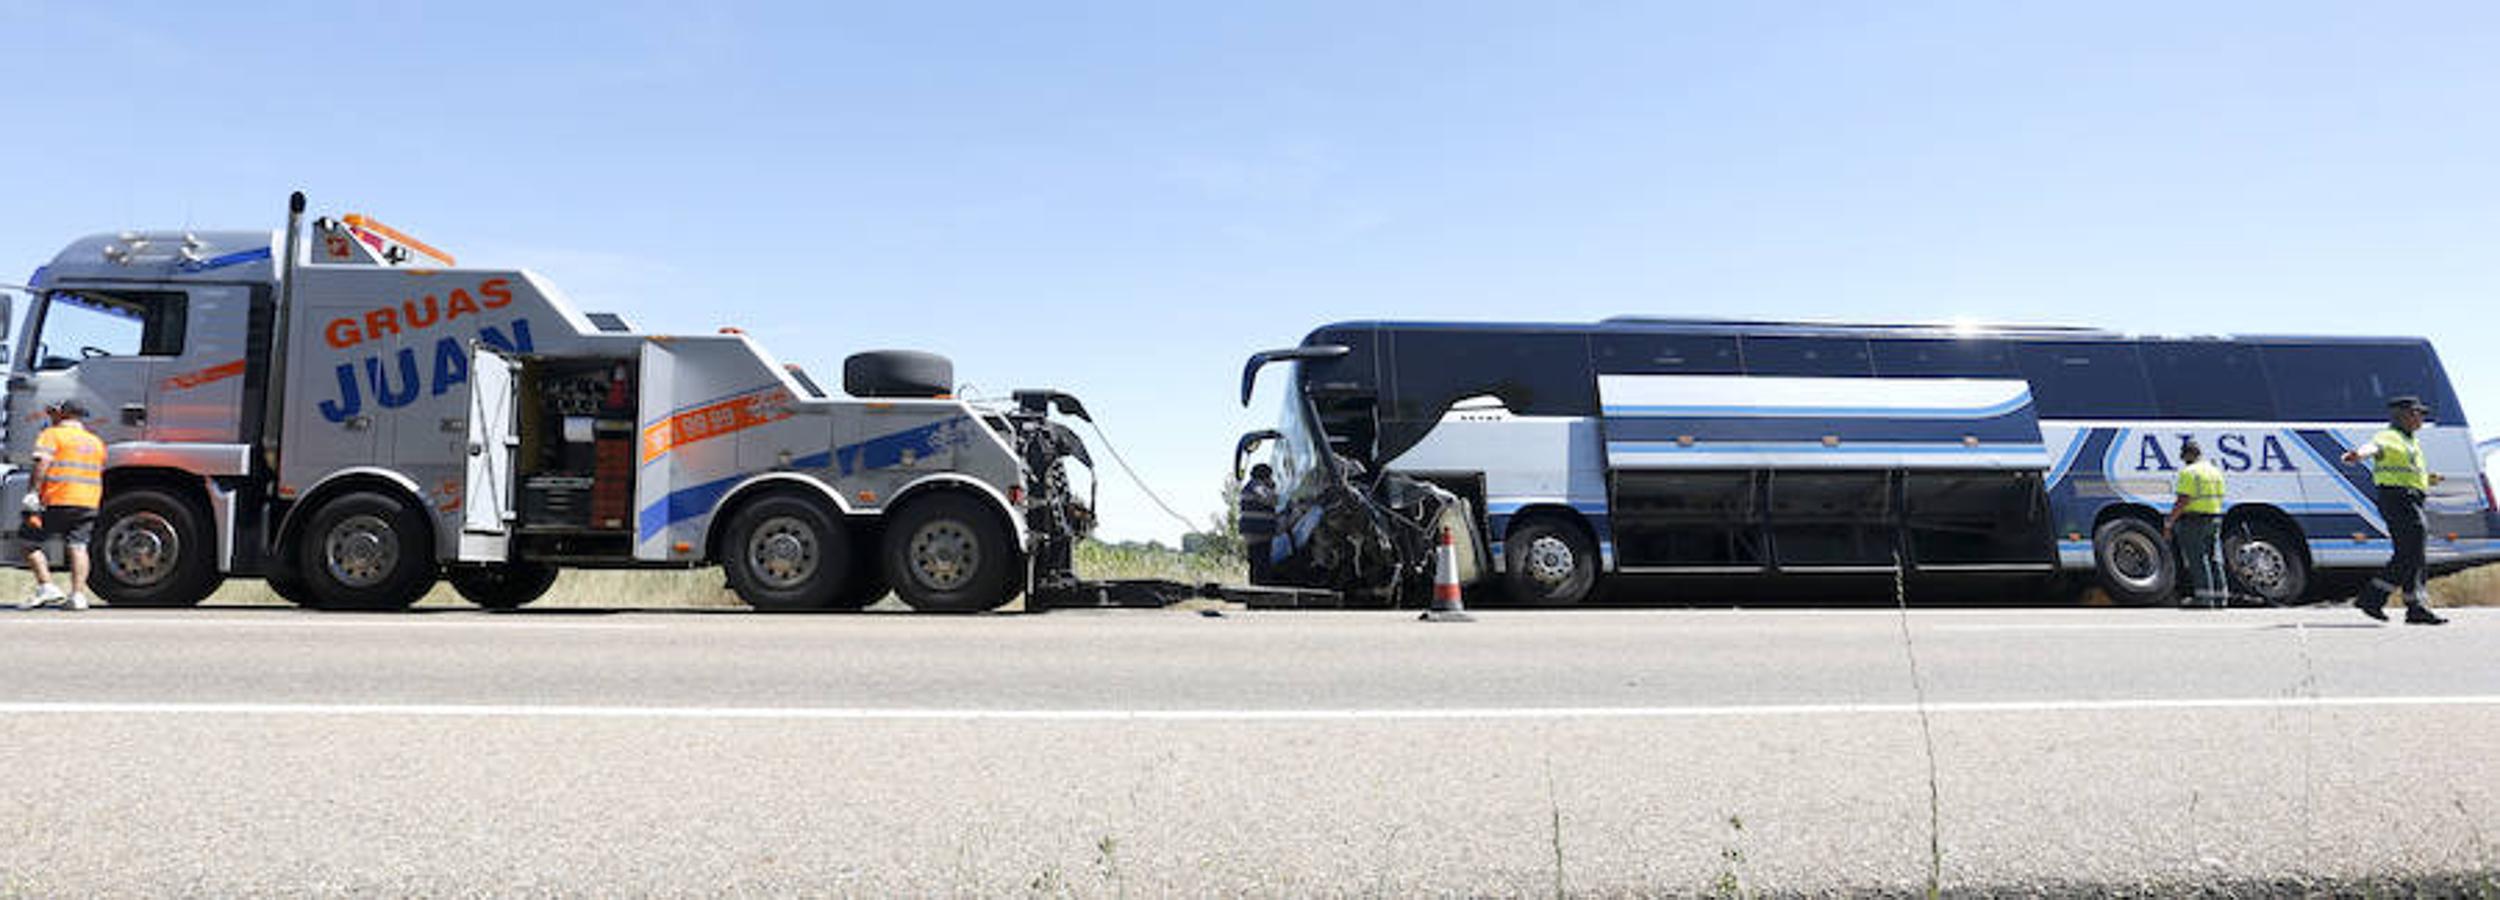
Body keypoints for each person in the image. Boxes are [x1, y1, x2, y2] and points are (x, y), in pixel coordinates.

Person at [2340, 396, 2449, 625]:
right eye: (2417, 413)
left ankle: (2403, 604)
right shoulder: (2388, 436)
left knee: (2410, 553)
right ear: (2403, 414)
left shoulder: (2410, 441)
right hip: (2398, 499)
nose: (2421, 418)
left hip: (2410, 498)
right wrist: (2358, 455)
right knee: (2413, 550)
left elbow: (2406, 469)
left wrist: (2428, 479)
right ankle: (2380, 599)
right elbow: (2374, 448)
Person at [19, 401, 105, 611]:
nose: (50, 416)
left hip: (57, 499)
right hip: (88, 502)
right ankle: (77, 596)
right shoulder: (95, 442)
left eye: (53, 412)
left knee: (28, 541)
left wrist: (32, 493)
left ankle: (47, 585)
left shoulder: (52, 434)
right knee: (79, 546)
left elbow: (42, 464)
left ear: (62, 414)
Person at [2165, 438, 2229, 609]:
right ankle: (2221, 597)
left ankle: (2204, 599)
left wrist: (2170, 521)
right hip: (2215, 517)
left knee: (2198, 559)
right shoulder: (2215, 472)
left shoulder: (2189, 473)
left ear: (2187, 455)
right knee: (2214, 558)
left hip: (2194, 520)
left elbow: (2183, 499)